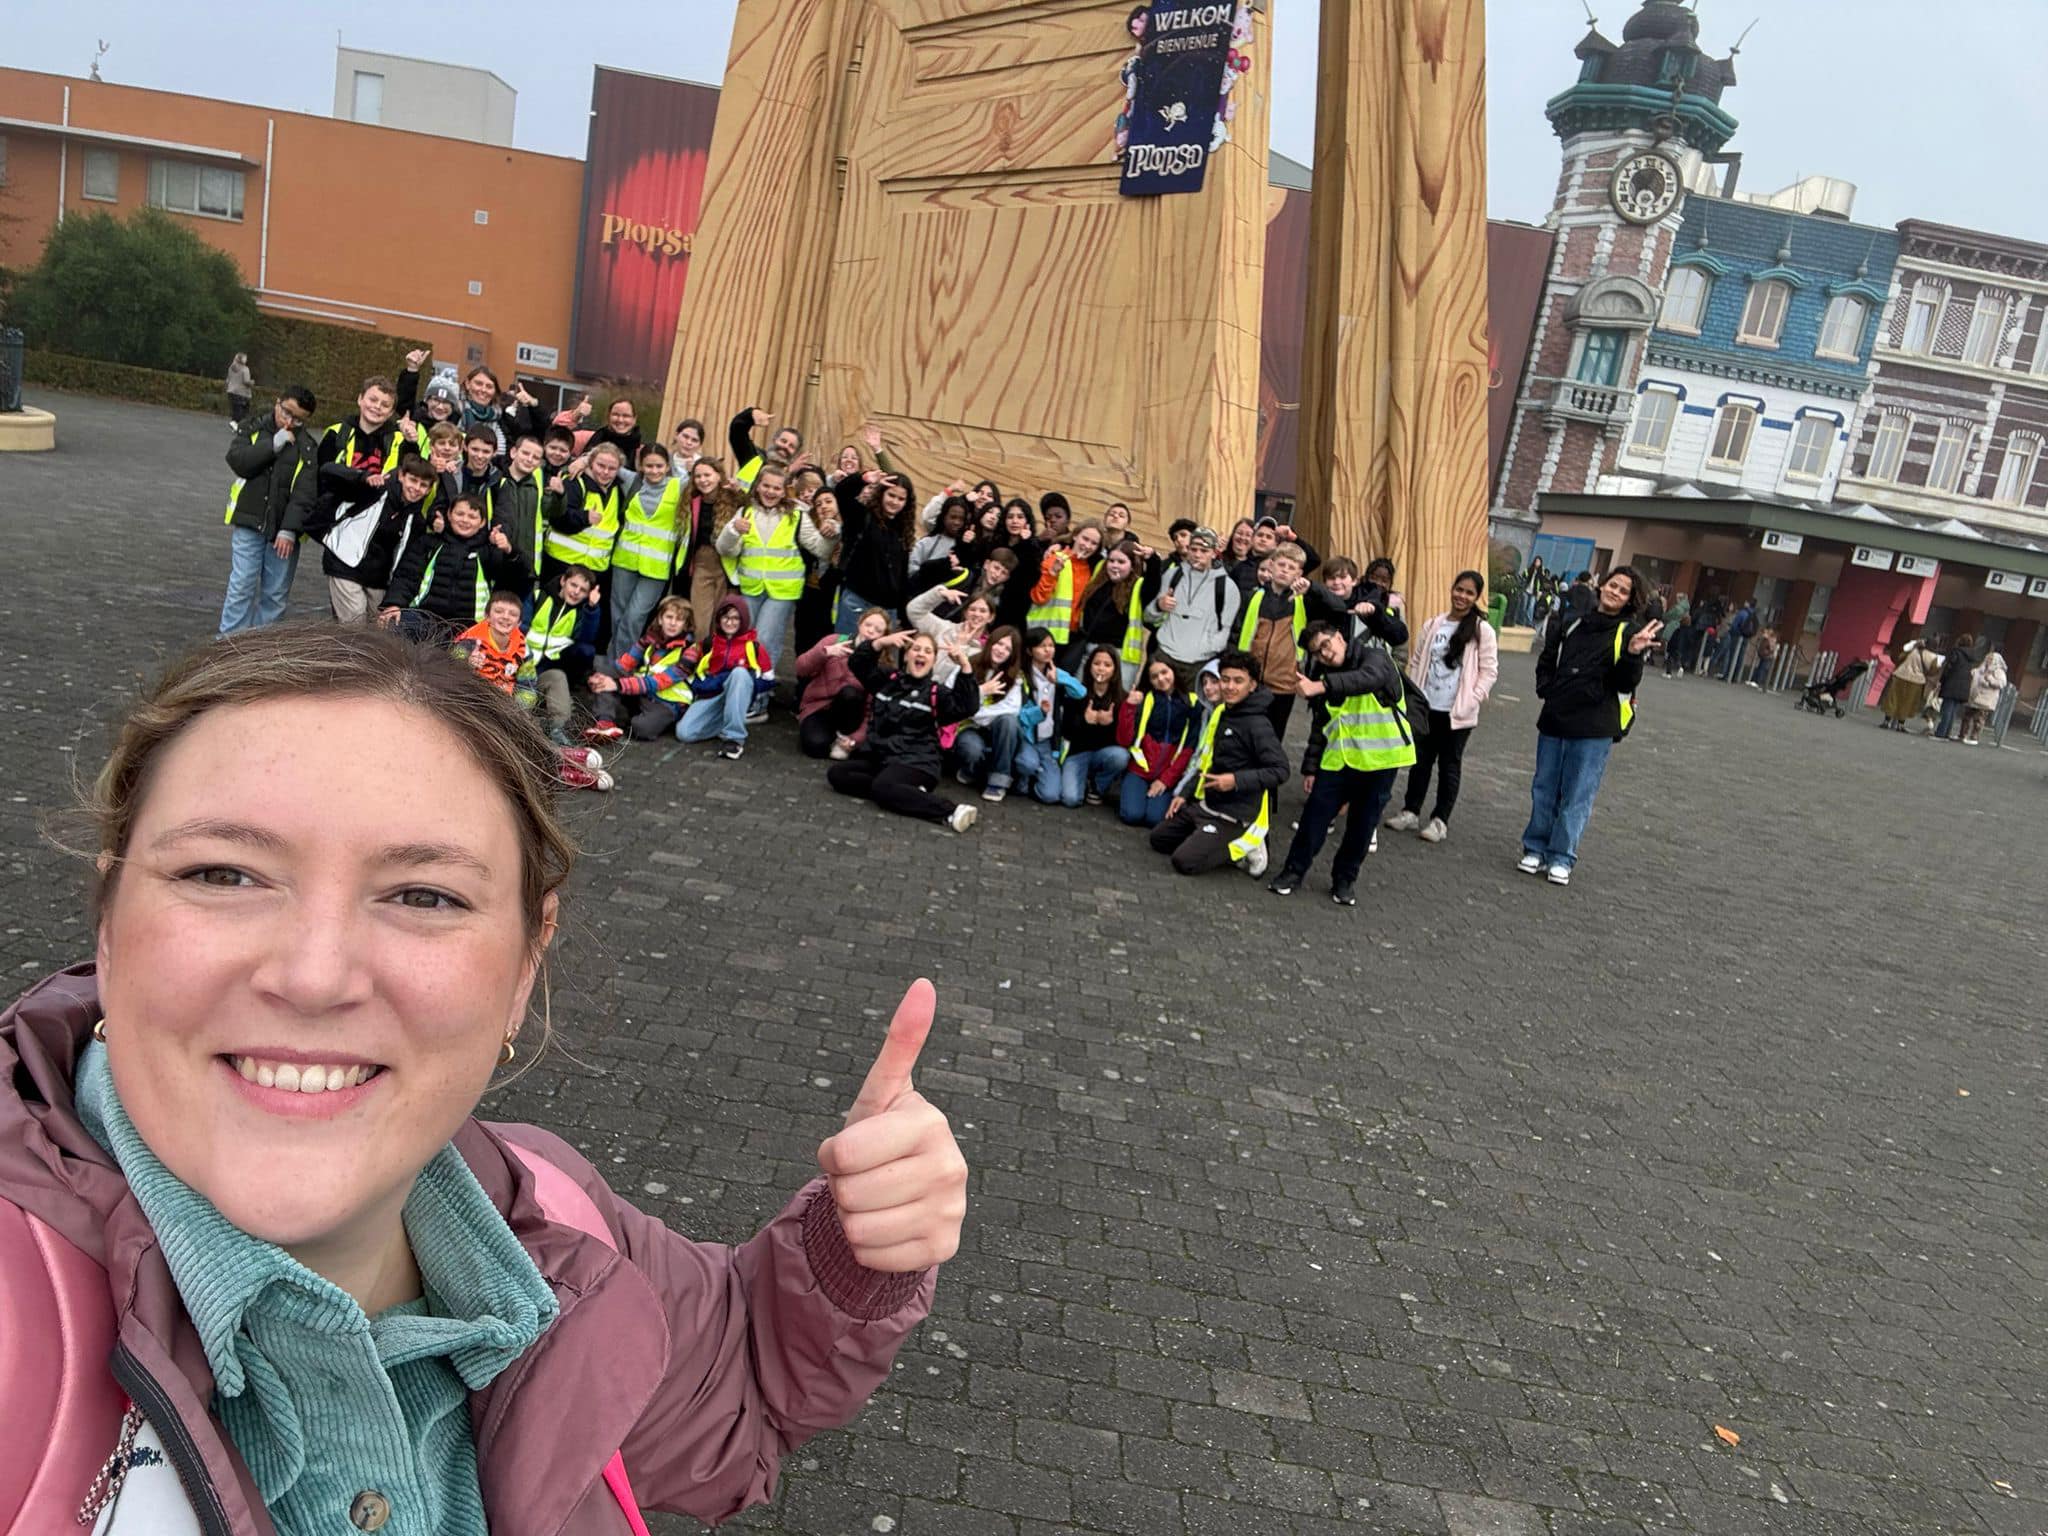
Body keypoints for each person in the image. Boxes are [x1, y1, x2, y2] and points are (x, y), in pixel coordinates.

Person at [0, 624, 963, 1534]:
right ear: (110, 925)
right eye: (224, 874)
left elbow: (739, 1390)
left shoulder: (555, 1216)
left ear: (523, 968)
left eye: (424, 895)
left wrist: (853, 1247)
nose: (313, 974)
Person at [1519, 567, 1660, 886]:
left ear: (1629, 600)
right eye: (1613, 585)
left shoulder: (1628, 631)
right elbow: (1548, 658)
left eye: (1624, 591)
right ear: (1601, 586)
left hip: (1595, 726)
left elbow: (1626, 682)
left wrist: (1634, 654)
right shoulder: (1572, 622)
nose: (1615, 592)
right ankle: (1535, 848)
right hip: (1556, 717)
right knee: (1544, 788)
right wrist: (1547, 689)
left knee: (1577, 794)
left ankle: (1562, 856)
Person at [1268, 622, 1414, 903]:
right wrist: (1310, 767)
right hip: (1338, 760)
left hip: (1379, 761)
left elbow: (1366, 679)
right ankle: (1293, 872)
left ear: (1339, 637)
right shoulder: (1321, 673)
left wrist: (1320, 686)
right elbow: (1320, 723)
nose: (1324, 654)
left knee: (1362, 826)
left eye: (1326, 645)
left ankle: (1344, 881)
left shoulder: (1376, 658)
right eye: (1317, 653)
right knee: (1313, 819)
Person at [1149, 649, 1288, 878]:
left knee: (1184, 862)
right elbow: (1207, 759)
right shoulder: (1224, 712)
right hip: (1207, 804)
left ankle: (1247, 845)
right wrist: (1185, 792)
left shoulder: (1258, 724)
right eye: (1225, 680)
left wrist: (1234, 781)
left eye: (1238, 681)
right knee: (1158, 839)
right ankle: (1204, 836)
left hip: (1233, 814)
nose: (1230, 687)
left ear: (1252, 685)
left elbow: (1281, 771)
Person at [1384, 570, 1498, 844]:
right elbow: (1417, 659)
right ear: (1452, 589)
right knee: (1420, 761)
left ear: (1476, 597)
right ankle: (1411, 810)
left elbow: (1489, 671)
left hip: (1457, 712)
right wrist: (1413, 695)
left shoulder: (1482, 631)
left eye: (1469, 592)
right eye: (1459, 589)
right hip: (1427, 707)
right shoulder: (1434, 624)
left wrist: (1473, 698)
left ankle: (1440, 820)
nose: (1462, 596)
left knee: (1449, 765)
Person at [829, 632, 983, 832]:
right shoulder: (887, 679)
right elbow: (857, 664)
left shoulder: (937, 693)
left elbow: (967, 706)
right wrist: (881, 642)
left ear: (934, 660)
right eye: (916, 649)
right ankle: (907, 793)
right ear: (907, 655)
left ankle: (950, 811)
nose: (921, 654)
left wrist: (965, 666)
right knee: (838, 774)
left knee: (883, 787)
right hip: (883, 758)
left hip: (918, 762)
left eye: (928, 651)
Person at [714, 465, 837, 703]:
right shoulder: (745, 511)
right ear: (758, 486)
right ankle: (740, 694)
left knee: (765, 642)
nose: (771, 491)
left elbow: (821, 549)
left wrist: (833, 532)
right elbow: (725, 549)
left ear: (784, 491)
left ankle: (759, 699)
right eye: (766, 486)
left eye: (777, 488)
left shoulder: (796, 514)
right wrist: (732, 531)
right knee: (744, 641)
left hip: (782, 592)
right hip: (751, 587)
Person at [219, 385, 318, 636]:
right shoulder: (252, 428)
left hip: (284, 532)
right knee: (241, 586)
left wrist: (289, 530)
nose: (289, 421)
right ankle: (228, 644)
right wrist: (272, 445)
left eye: (298, 419)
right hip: (249, 521)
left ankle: (259, 652)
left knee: (275, 594)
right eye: (286, 412)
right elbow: (238, 461)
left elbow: (304, 493)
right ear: (278, 402)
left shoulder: (307, 447)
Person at [379, 493, 532, 643]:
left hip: (468, 628)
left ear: (482, 522)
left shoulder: (488, 551)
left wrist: (509, 551)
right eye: (460, 514)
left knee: (468, 659)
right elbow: (406, 576)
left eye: (472, 517)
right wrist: (394, 604)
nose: (465, 520)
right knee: (394, 625)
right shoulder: (429, 542)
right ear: (449, 515)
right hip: (424, 618)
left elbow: (519, 579)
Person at [305, 451, 437, 624]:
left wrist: (395, 602)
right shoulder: (374, 490)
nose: (416, 488)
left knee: (379, 629)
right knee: (355, 623)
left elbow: (408, 567)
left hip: (379, 578)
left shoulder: (417, 521)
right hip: (345, 563)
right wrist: (362, 477)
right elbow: (327, 471)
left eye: (423, 485)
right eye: (413, 480)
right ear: (401, 476)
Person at [608, 443, 685, 665]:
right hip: (625, 560)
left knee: (634, 617)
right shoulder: (632, 480)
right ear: (641, 465)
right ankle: (618, 663)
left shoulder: (678, 486)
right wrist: (583, 460)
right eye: (649, 466)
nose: (654, 471)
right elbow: (601, 459)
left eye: (659, 466)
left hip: (657, 567)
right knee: (618, 616)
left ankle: (623, 666)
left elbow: (706, 478)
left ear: (667, 466)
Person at [587, 596, 700, 742]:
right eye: (669, 617)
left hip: (667, 704)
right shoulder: (650, 638)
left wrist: (617, 684)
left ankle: (626, 717)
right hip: (643, 694)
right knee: (605, 670)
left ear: (685, 625)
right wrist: (599, 677)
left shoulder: (691, 650)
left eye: (679, 620)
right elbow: (624, 664)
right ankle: (605, 722)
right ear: (660, 619)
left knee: (641, 728)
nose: (672, 623)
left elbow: (659, 682)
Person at [1145, 526, 1242, 689]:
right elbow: (1148, 617)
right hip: (1165, 657)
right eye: (1194, 549)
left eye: (1204, 550)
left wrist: (1205, 650)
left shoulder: (1227, 587)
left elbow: (1226, 630)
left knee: (1192, 711)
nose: (1197, 555)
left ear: (1213, 552)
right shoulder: (1172, 576)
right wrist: (1159, 605)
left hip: (1199, 664)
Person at [515, 566, 603, 745]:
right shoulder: (538, 596)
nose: (576, 592)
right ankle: (525, 726)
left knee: (558, 677)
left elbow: (587, 639)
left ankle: (558, 728)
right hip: (520, 666)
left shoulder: (581, 612)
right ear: (563, 581)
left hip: (546, 669)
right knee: (521, 704)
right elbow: (520, 625)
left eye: (583, 590)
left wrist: (592, 609)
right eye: (573, 585)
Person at [679, 595, 772, 758]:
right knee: (684, 733)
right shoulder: (709, 643)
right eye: (726, 617)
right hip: (711, 695)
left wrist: (746, 683)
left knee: (739, 674)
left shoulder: (754, 646)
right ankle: (726, 720)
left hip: (738, 693)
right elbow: (692, 672)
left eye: (736, 618)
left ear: (743, 620)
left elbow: (768, 679)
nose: (730, 622)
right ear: (719, 618)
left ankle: (734, 739)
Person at [796, 607, 893, 760]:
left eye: (878, 630)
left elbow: (873, 711)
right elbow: (801, 669)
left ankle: (843, 738)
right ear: (860, 623)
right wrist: (825, 652)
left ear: (884, 636)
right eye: (868, 625)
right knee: (815, 747)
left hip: (851, 715)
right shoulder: (835, 640)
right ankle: (828, 736)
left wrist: (856, 738)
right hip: (819, 707)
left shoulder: (882, 665)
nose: (871, 631)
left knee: (850, 693)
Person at [1116, 657, 1199, 828]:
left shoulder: (1192, 703)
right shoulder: (1144, 699)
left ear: (1173, 672)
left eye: (1164, 672)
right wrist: (1129, 707)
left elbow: (1189, 748)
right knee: (1132, 815)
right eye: (1154, 677)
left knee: (1154, 819)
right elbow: (1124, 740)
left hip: (1167, 774)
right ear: (1150, 681)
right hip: (1139, 770)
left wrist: (1166, 780)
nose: (1161, 679)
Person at [836, 472, 919, 634]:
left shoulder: (903, 530)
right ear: (881, 493)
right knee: (845, 653)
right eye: (891, 495)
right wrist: (863, 478)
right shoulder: (862, 517)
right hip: (857, 602)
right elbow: (842, 492)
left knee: (881, 659)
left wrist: (902, 614)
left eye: (901, 499)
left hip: (888, 610)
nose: (895, 502)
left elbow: (901, 576)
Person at [951, 627, 1027, 801]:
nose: (1001, 650)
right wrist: (981, 691)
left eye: (1008, 649)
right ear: (991, 642)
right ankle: (973, 770)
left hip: (995, 727)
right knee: (972, 750)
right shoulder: (969, 664)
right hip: (969, 726)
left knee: (1008, 721)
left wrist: (975, 712)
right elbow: (955, 699)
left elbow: (1011, 709)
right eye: (999, 644)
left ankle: (998, 781)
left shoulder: (1016, 676)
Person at [1074, 540, 1162, 688]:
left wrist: (1152, 559)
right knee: (1079, 696)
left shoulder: (1138, 586)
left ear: (1133, 565)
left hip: (1121, 655)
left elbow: (1153, 583)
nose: (1115, 566)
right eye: (1111, 561)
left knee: (1116, 702)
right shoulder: (1098, 577)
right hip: (1090, 650)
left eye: (1121, 562)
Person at [1014, 628, 1086, 805]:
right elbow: (1018, 716)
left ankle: (1035, 778)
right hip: (1027, 738)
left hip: (1047, 741)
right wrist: (1039, 712)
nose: (1048, 650)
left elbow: (1081, 692)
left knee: (1051, 795)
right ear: (1030, 650)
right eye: (1041, 646)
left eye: (1051, 645)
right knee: (1027, 763)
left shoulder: (1056, 673)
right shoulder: (1021, 675)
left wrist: (1061, 678)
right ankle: (1022, 779)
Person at [1056, 646, 1131, 807]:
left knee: (1121, 756)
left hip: (1104, 754)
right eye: (1097, 663)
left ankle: (1097, 786)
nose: (1101, 669)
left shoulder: (1121, 698)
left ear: (1115, 670)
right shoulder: (1077, 692)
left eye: (1107, 665)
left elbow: (1124, 740)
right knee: (1071, 799)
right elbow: (1066, 732)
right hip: (1078, 753)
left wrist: (1109, 724)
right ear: (1089, 666)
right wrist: (1084, 721)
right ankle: (1082, 779)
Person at [1028, 523, 1106, 663]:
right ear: (1075, 536)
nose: (1088, 546)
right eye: (1085, 539)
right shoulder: (1055, 558)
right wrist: (1052, 574)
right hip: (1041, 634)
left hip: (1068, 639)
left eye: (1094, 543)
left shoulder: (1091, 569)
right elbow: (1038, 597)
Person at [451, 589, 528, 697]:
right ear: (487, 616)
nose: (506, 617)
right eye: (499, 611)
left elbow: (528, 689)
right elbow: (450, 667)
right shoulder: (469, 641)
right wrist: (466, 664)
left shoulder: (523, 649)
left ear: (519, 623)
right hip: (471, 699)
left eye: (513, 614)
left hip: (504, 706)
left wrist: (517, 711)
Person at [728, 406, 806, 488]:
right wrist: (750, 415)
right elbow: (737, 430)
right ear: (774, 440)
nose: (785, 446)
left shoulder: (796, 476)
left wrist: (790, 472)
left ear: (796, 453)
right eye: (783, 441)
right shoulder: (754, 457)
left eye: (791, 446)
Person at [1880, 637, 1940, 731]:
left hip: (1901, 675)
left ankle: (1886, 721)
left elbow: (1900, 658)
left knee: (1894, 698)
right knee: (1908, 702)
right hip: (1917, 681)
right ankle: (1901, 724)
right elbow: (1933, 671)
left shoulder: (1914, 650)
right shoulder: (1933, 657)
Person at [1963, 642, 2008, 745]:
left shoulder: (1998, 671)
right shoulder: (1982, 668)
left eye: (1991, 659)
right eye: (1988, 658)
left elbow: (2002, 683)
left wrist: (1990, 679)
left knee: (1979, 719)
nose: (1988, 660)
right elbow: (1976, 675)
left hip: (1987, 698)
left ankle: (1974, 737)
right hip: (1975, 695)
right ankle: (1963, 734)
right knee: (1967, 715)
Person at [1934, 635, 1977, 741]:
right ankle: (1947, 732)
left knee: (1946, 710)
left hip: (1951, 684)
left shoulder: (1956, 652)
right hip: (1963, 687)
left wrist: (1942, 680)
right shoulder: (1971, 657)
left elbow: (1949, 667)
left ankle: (1941, 732)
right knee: (1953, 711)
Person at [223, 352, 253, 427]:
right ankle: (239, 425)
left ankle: (234, 423)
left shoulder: (231, 368)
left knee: (235, 409)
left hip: (231, 390)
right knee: (243, 411)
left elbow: (228, 379)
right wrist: (252, 382)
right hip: (242, 393)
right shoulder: (245, 369)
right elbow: (246, 381)